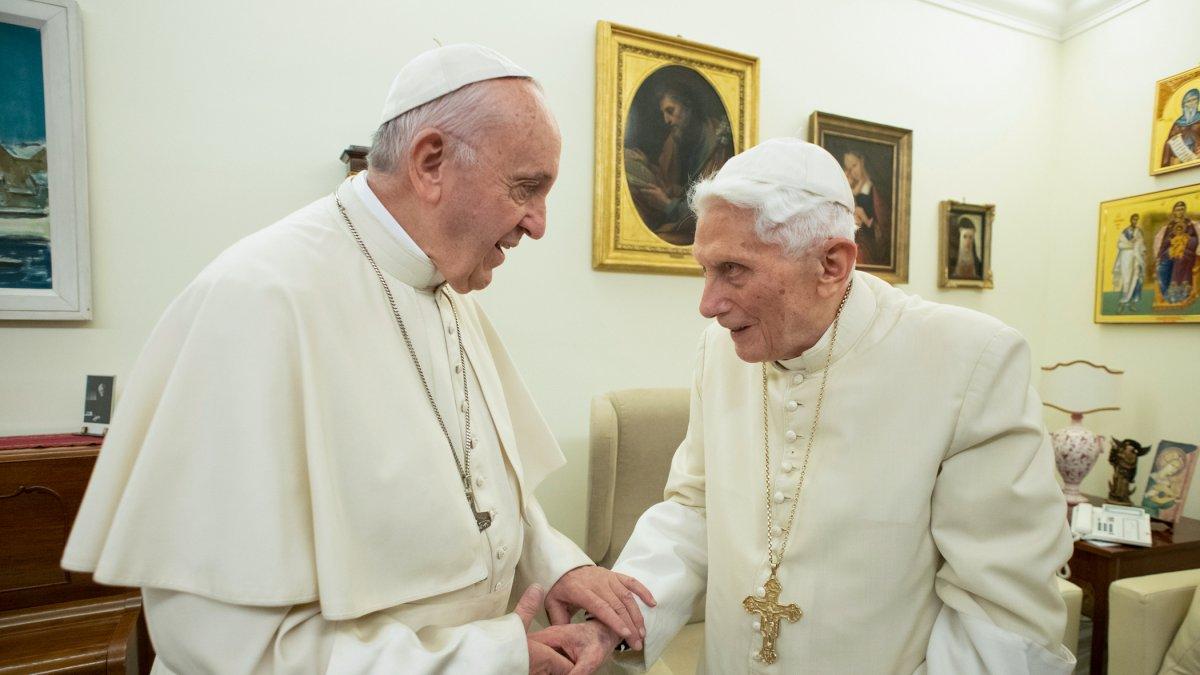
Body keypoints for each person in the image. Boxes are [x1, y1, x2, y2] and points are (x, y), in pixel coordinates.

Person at [61, 44, 652, 675]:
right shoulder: (259, 301)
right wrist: (491, 659)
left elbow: (479, 492)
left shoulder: (442, 288)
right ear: (430, 163)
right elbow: (224, 648)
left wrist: (560, 564)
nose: (537, 224)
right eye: (526, 188)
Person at [559, 138, 1076, 673]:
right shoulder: (721, 350)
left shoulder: (971, 360)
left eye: (733, 269)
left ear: (831, 264)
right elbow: (695, 510)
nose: (708, 305)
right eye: (704, 269)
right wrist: (612, 622)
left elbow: (1002, 615)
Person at [625, 82, 733, 245]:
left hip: (700, 228)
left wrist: (668, 206)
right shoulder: (674, 140)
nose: (666, 120)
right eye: (663, 114)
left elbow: (712, 205)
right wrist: (644, 164)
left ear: (688, 107)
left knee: (659, 240)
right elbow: (669, 183)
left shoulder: (718, 143)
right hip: (680, 220)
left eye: (670, 111)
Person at [842, 149, 891, 266]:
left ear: (862, 161)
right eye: (849, 169)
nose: (852, 171)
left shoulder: (875, 189)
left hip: (872, 243)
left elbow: (884, 222)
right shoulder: (853, 188)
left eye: (854, 165)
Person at [1154, 200, 1199, 305]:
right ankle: (1166, 293)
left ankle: (1180, 294)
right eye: (1178, 209)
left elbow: (1195, 239)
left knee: (1180, 260)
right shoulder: (1170, 226)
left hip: (1186, 251)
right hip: (1170, 251)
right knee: (1162, 267)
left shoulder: (1189, 224)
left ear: (1185, 210)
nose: (1180, 211)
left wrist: (1184, 242)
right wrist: (1161, 254)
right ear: (1174, 212)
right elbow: (1164, 242)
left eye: (1182, 209)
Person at [1112, 213, 1146, 313]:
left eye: (1137, 220)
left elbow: (1141, 244)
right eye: (1134, 219)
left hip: (1136, 258)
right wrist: (1131, 244)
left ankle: (1132, 304)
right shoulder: (1125, 232)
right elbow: (1120, 244)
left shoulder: (1139, 231)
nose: (1135, 221)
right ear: (1131, 220)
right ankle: (1122, 303)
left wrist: (1142, 251)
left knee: (1136, 280)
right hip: (1126, 258)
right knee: (1126, 280)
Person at [1161, 88, 1200, 168]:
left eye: (1194, 100)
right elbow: (1168, 143)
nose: (1192, 103)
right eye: (1188, 101)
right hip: (1178, 160)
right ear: (1184, 104)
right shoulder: (1177, 123)